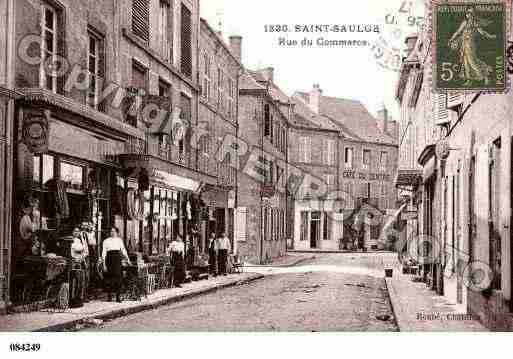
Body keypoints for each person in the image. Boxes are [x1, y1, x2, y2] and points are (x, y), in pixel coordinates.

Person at [448, 7, 497, 86]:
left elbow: (483, 32)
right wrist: (451, 39)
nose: (468, 15)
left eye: (470, 13)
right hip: (464, 45)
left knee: (472, 61)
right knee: (465, 62)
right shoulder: (464, 23)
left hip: (470, 45)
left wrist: (490, 36)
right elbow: (458, 32)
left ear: (473, 15)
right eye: (467, 13)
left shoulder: (475, 23)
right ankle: (469, 80)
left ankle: (485, 77)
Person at [101, 227, 131, 302]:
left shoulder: (119, 240)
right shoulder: (106, 241)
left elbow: (123, 250)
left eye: (114, 231)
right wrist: (104, 264)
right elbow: (104, 253)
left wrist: (128, 259)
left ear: (117, 232)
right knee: (109, 278)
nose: (112, 233)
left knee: (118, 278)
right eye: (111, 231)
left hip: (117, 259)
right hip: (109, 259)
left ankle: (118, 297)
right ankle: (109, 296)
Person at [70, 227, 88, 307]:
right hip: (73, 261)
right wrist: (82, 251)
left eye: (78, 231)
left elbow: (86, 252)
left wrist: (82, 257)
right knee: (74, 281)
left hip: (79, 262)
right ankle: (73, 300)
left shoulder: (79, 240)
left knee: (80, 281)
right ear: (72, 232)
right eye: (75, 231)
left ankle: (79, 299)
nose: (76, 232)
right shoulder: (71, 240)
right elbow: (78, 249)